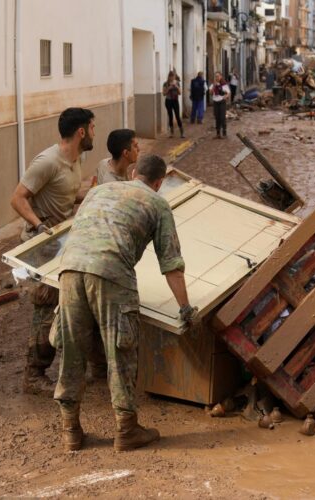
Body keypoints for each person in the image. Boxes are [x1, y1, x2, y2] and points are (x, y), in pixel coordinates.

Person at [53, 154, 199, 453]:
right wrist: (185, 309)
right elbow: (171, 264)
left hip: (69, 269)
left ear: (134, 173)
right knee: (119, 350)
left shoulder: (97, 191)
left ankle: (70, 431)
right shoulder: (158, 203)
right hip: (111, 273)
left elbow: (78, 233)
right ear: (159, 182)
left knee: (72, 349)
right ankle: (126, 430)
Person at [9, 107, 106, 396]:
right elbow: (17, 198)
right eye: (92, 128)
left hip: (62, 242)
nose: (93, 133)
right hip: (41, 246)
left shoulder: (76, 159)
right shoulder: (48, 161)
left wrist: (97, 194)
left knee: (75, 301)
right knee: (45, 306)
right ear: (80, 132)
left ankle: (93, 364)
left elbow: (68, 194)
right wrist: (39, 226)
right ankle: (33, 375)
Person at [162, 70, 184, 138]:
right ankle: (172, 133)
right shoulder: (165, 84)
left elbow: (180, 93)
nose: (172, 78)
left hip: (175, 101)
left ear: (174, 77)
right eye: (170, 77)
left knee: (177, 116)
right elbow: (164, 93)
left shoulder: (177, 83)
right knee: (170, 116)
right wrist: (169, 88)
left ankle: (182, 133)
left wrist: (176, 87)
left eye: (173, 77)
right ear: (168, 77)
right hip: (168, 101)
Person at [210, 72, 230, 139]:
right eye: (216, 76)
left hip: (222, 102)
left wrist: (226, 96)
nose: (217, 77)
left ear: (221, 76)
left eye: (218, 76)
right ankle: (218, 133)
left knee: (222, 117)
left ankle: (224, 133)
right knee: (217, 117)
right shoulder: (213, 84)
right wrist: (214, 86)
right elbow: (210, 93)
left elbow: (228, 93)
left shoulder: (224, 85)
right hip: (215, 102)